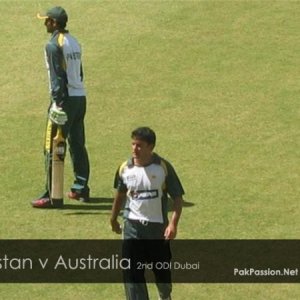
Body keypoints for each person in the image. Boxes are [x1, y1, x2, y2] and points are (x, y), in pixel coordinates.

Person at [111, 127, 184, 300]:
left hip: (157, 229)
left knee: (161, 271)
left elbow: (177, 198)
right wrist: (113, 218)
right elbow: (120, 195)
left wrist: (173, 224)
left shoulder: (162, 168)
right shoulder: (125, 168)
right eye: (133, 144)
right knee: (132, 274)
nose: (134, 149)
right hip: (132, 228)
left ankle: (164, 295)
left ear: (150, 147)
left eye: (139, 145)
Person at [31, 6, 90, 208]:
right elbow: (79, 73)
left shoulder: (53, 45)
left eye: (47, 20)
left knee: (52, 146)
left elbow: (57, 77)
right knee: (77, 143)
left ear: (54, 23)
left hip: (64, 102)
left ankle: (51, 194)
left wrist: (58, 102)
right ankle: (80, 187)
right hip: (80, 98)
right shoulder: (74, 41)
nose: (44, 23)